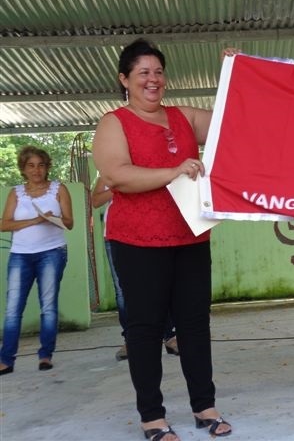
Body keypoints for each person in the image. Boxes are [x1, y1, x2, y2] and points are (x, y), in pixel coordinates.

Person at [92, 38, 231, 441]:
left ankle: (205, 407)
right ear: (124, 79)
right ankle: (152, 417)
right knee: (145, 330)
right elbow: (117, 175)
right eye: (143, 73)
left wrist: (233, 76)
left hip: (189, 238)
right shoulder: (113, 122)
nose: (153, 80)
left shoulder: (183, 115)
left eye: (158, 72)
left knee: (194, 325)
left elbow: (231, 121)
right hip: (137, 242)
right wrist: (173, 171)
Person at [0, 145, 74, 375]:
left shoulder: (58, 189)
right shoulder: (16, 193)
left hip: (52, 252)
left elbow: (70, 223)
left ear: (47, 167)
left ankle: (45, 356)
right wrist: (35, 221)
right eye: (31, 165)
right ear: (23, 168)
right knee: (13, 309)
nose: (36, 170)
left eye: (41, 165)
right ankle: (6, 359)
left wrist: (54, 219)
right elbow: (4, 224)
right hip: (20, 255)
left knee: (48, 307)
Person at [90, 176, 180, 361]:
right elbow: (96, 201)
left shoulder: (144, 167)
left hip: (147, 232)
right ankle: (130, 339)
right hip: (115, 236)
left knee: (158, 286)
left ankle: (169, 336)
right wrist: (117, 186)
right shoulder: (108, 174)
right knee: (123, 291)